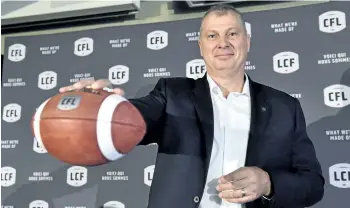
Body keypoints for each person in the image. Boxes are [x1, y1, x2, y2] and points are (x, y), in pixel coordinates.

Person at [60, 4, 324, 208]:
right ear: (201, 46)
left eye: (233, 33)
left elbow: (312, 185)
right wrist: (103, 105)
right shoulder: (172, 94)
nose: (223, 42)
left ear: (247, 41)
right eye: (213, 35)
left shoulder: (284, 107)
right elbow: (133, 118)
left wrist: (268, 183)